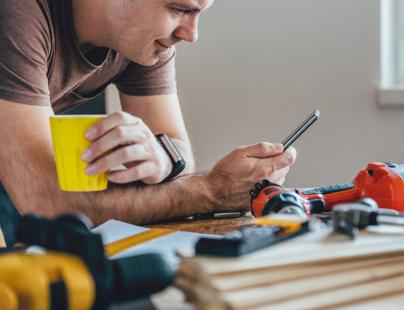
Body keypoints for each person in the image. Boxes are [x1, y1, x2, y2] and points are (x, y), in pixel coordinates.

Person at [0, 0, 296, 245]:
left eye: (199, 13)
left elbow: (177, 150)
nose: (191, 34)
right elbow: (47, 203)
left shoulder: (139, 40)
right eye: (180, 9)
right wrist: (212, 191)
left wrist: (162, 156)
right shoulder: (14, 13)